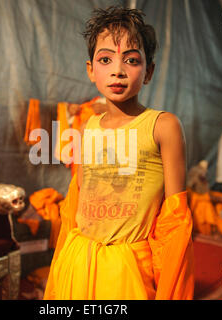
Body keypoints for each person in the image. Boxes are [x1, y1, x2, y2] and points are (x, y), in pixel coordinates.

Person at [44, 6, 194, 300]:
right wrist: (60, 263)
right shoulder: (88, 126)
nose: (117, 70)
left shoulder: (162, 126)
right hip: (78, 259)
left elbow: (176, 221)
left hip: (128, 270)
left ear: (148, 71)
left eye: (132, 60)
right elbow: (76, 202)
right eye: (105, 59)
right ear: (90, 70)